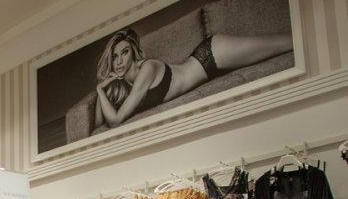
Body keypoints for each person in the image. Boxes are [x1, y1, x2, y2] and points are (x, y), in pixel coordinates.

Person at [92, 27, 292, 133]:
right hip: (208, 65)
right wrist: (101, 90)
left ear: (133, 52)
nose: (119, 61)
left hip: (211, 55)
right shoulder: (126, 84)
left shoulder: (147, 69)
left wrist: (100, 90)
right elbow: (100, 125)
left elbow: (116, 121)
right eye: (115, 56)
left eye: (125, 52)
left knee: (287, 42)